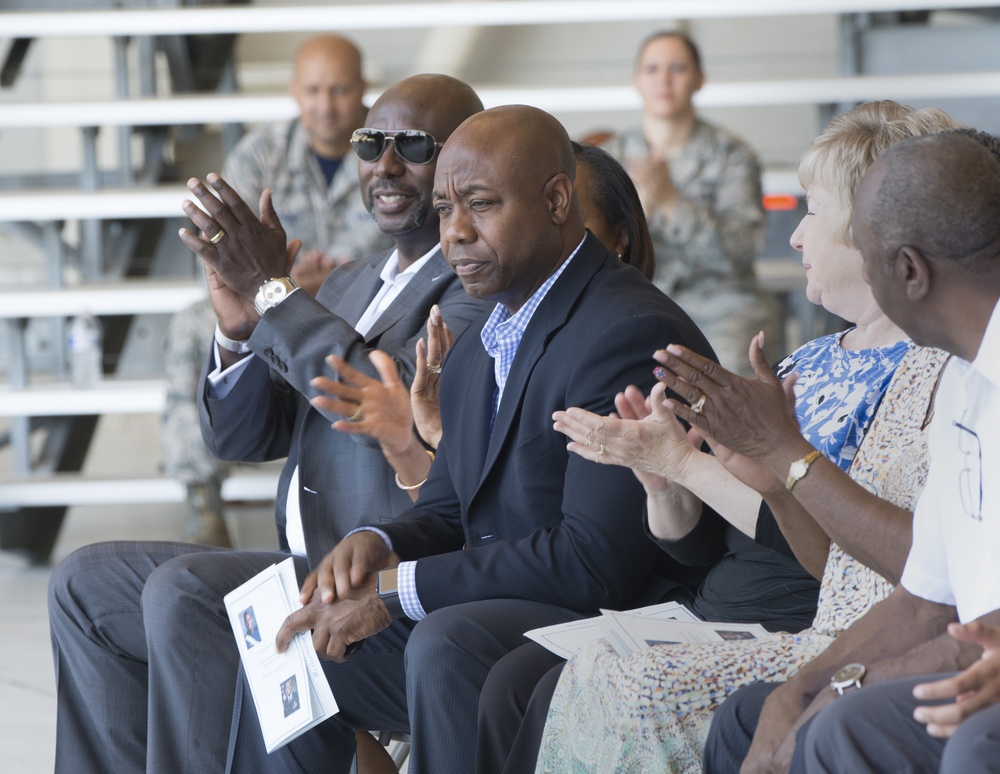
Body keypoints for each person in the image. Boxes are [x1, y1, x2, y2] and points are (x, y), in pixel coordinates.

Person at [215, 103, 718, 774]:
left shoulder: (622, 332)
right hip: (503, 607)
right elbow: (452, 510)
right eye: (446, 210)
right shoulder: (486, 339)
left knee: (446, 640)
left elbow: (593, 561)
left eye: (479, 205)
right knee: (288, 635)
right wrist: (378, 544)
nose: (455, 235)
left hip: (618, 619)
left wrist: (398, 590)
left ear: (557, 200)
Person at [474, 101, 958, 773]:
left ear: (865, 227)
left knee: (575, 680)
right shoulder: (805, 360)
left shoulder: (930, 371)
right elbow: (705, 542)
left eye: (811, 212)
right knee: (516, 678)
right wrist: (663, 481)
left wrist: (696, 464)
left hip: (789, 610)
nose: (794, 237)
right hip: (721, 598)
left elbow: (816, 557)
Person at [47, 73, 489, 774]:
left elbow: (373, 389)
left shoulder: (476, 290)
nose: (385, 165)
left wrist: (274, 291)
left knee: (185, 593)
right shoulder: (350, 281)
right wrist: (237, 327)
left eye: (412, 146)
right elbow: (244, 438)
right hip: (299, 571)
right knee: (84, 585)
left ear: (466, 165)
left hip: (381, 585)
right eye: (371, 143)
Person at [702, 131, 1000, 774]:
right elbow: (927, 595)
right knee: (759, 715)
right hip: (963, 653)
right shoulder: (963, 379)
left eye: (866, 253)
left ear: (910, 272)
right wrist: (800, 688)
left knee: (844, 729)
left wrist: (839, 689)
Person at [307, 140, 660, 501]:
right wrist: (418, 444)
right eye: (444, 209)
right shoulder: (492, 344)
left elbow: (568, 539)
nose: (551, 240)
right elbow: (468, 523)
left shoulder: (627, 338)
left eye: (575, 222)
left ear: (620, 236)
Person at [162, 34, 390, 547]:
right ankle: (202, 496)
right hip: (273, 293)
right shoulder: (263, 152)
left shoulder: (386, 149)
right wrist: (280, 285)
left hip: (360, 300)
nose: (325, 106)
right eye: (313, 90)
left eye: (338, 89)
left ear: (362, 88)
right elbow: (222, 246)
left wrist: (290, 283)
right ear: (293, 91)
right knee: (194, 321)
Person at [600, 30, 780, 375]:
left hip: (723, 303)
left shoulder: (733, 156)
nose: (664, 79)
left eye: (678, 68)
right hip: (637, 300)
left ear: (700, 79)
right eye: (652, 69)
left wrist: (671, 200)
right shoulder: (612, 158)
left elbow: (740, 251)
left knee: (729, 382)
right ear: (637, 80)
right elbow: (598, 250)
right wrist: (641, 214)